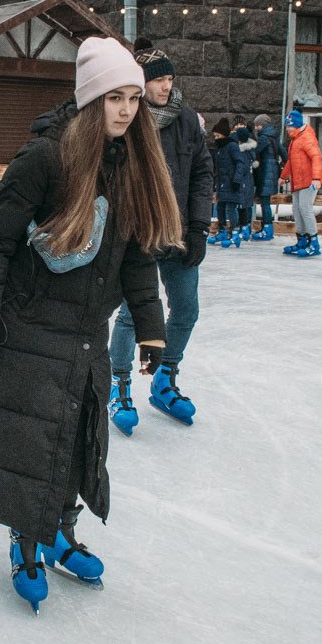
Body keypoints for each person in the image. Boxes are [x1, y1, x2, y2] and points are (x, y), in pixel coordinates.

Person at [0, 37, 183, 612]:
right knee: (32, 441)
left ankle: (59, 529)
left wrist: (151, 330)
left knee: (76, 439)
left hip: (88, 332)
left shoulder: (129, 164)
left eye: (135, 98)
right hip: (31, 329)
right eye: (115, 97)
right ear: (91, 99)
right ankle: (26, 540)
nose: (127, 109)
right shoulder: (45, 158)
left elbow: (135, 257)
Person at [107, 44, 214, 435]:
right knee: (134, 314)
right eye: (158, 80)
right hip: (140, 235)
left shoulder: (186, 120)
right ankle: (117, 384)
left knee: (186, 310)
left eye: (170, 79)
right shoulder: (129, 120)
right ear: (142, 82)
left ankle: (164, 378)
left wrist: (200, 227)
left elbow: (203, 174)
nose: (166, 86)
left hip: (181, 234)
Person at [279, 110, 322, 257]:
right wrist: (283, 176)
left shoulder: (306, 138)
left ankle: (314, 242)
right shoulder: (295, 139)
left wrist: (316, 178)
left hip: (309, 181)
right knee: (297, 210)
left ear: (296, 125)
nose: (287, 129)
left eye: (289, 126)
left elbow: (316, 157)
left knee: (305, 209)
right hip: (298, 181)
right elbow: (291, 161)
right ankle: (302, 239)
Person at [210, 118, 247, 248]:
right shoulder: (219, 148)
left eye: (217, 135)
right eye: (214, 136)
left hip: (232, 183)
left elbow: (240, 163)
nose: (215, 138)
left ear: (224, 135)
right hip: (222, 183)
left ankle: (235, 233)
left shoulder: (232, 146)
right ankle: (222, 231)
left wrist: (237, 179)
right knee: (220, 206)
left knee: (231, 207)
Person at [251, 113, 285, 241]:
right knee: (266, 201)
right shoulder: (274, 137)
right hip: (272, 171)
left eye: (257, 125)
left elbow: (255, 152)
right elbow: (284, 153)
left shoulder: (264, 138)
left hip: (265, 171)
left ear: (263, 125)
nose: (256, 128)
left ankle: (267, 229)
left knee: (264, 202)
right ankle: (267, 228)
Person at [231, 119, 259, 241]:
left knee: (242, 205)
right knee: (245, 204)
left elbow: (241, 167)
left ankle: (244, 228)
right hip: (249, 180)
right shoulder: (250, 150)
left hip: (243, 181)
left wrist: (236, 180)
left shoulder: (241, 151)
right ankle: (245, 227)